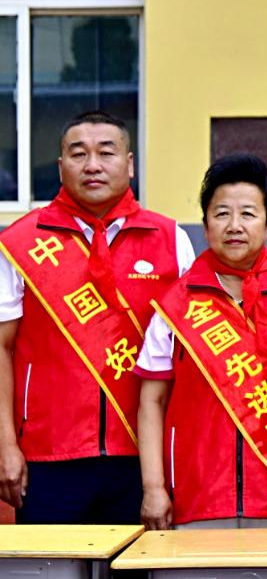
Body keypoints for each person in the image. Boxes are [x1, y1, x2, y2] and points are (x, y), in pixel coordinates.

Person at [0, 110, 194, 522]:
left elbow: (188, 357)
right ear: (60, 166)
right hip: (48, 456)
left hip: (144, 460)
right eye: (78, 154)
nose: (92, 165)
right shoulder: (19, 243)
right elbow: (1, 348)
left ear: (129, 163)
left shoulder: (170, 240)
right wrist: (5, 445)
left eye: (106, 153)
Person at [135, 154, 267, 529]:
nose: (235, 226)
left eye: (248, 214)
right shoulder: (174, 305)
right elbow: (152, 402)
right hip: (197, 499)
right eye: (221, 214)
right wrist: (153, 488)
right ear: (205, 226)